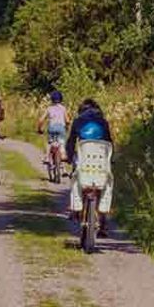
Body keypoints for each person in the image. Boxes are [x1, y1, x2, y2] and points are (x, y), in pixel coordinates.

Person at [66, 98, 115, 235]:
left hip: (84, 160)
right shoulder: (103, 122)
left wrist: (69, 157)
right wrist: (112, 158)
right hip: (101, 161)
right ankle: (104, 222)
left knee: (76, 178)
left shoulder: (77, 121)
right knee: (104, 185)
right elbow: (109, 142)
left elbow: (71, 142)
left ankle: (75, 208)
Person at [36, 90, 70, 163]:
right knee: (62, 141)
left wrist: (39, 129)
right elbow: (67, 121)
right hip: (61, 127)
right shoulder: (63, 108)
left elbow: (41, 120)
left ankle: (47, 157)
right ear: (61, 99)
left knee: (49, 142)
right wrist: (67, 127)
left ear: (52, 99)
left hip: (52, 127)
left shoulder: (49, 108)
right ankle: (63, 154)